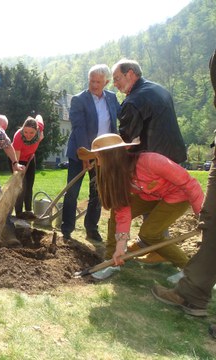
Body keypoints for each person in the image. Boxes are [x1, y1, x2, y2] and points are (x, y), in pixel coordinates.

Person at [76, 133, 204, 281]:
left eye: (99, 158)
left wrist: (202, 215)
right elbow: (122, 211)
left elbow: (189, 183)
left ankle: (190, 270)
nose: (97, 164)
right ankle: (112, 261)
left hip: (178, 196)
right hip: (150, 196)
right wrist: (120, 248)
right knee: (116, 214)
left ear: (112, 156)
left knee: (149, 234)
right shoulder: (118, 176)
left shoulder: (151, 161)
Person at [151, 49, 216, 324]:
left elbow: (188, 183)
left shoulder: (150, 162)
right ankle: (193, 295)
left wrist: (198, 207)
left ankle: (192, 291)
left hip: (182, 190)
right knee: (211, 225)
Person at [112, 58, 187, 261]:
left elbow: (126, 140)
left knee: (147, 200)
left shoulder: (133, 101)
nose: (115, 84)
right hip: (174, 157)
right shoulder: (159, 90)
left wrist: (111, 156)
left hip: (153, 161)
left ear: (130, 74)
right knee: (161, 203)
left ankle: (154, 246)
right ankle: (154, 246)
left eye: (117, 78)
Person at [61, 64, 120, 242]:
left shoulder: (112, 98)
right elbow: (79, 128)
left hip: (103, 154)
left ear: (106, 82)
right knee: (72, 191)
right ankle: (67, 229)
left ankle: (91, 229)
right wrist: (84, 154)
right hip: (80, 151)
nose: (94, 85)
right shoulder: (79, 100)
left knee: (97, 192)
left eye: (98, 82)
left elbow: (120, 119)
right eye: (91, 81)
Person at [11, 114, 45, 219]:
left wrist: (41, 132)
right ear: (22, 129)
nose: (28, 135)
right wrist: (16, 172)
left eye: (31, 132)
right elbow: (16, 159)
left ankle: (28, 210)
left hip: (30, 158)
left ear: (37, 130)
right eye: (25, 132)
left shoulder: (39, 128)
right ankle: (19, 213)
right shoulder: (18, 137)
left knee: (29, 184)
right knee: (21, 185)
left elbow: (39, 116)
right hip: (17, 159)